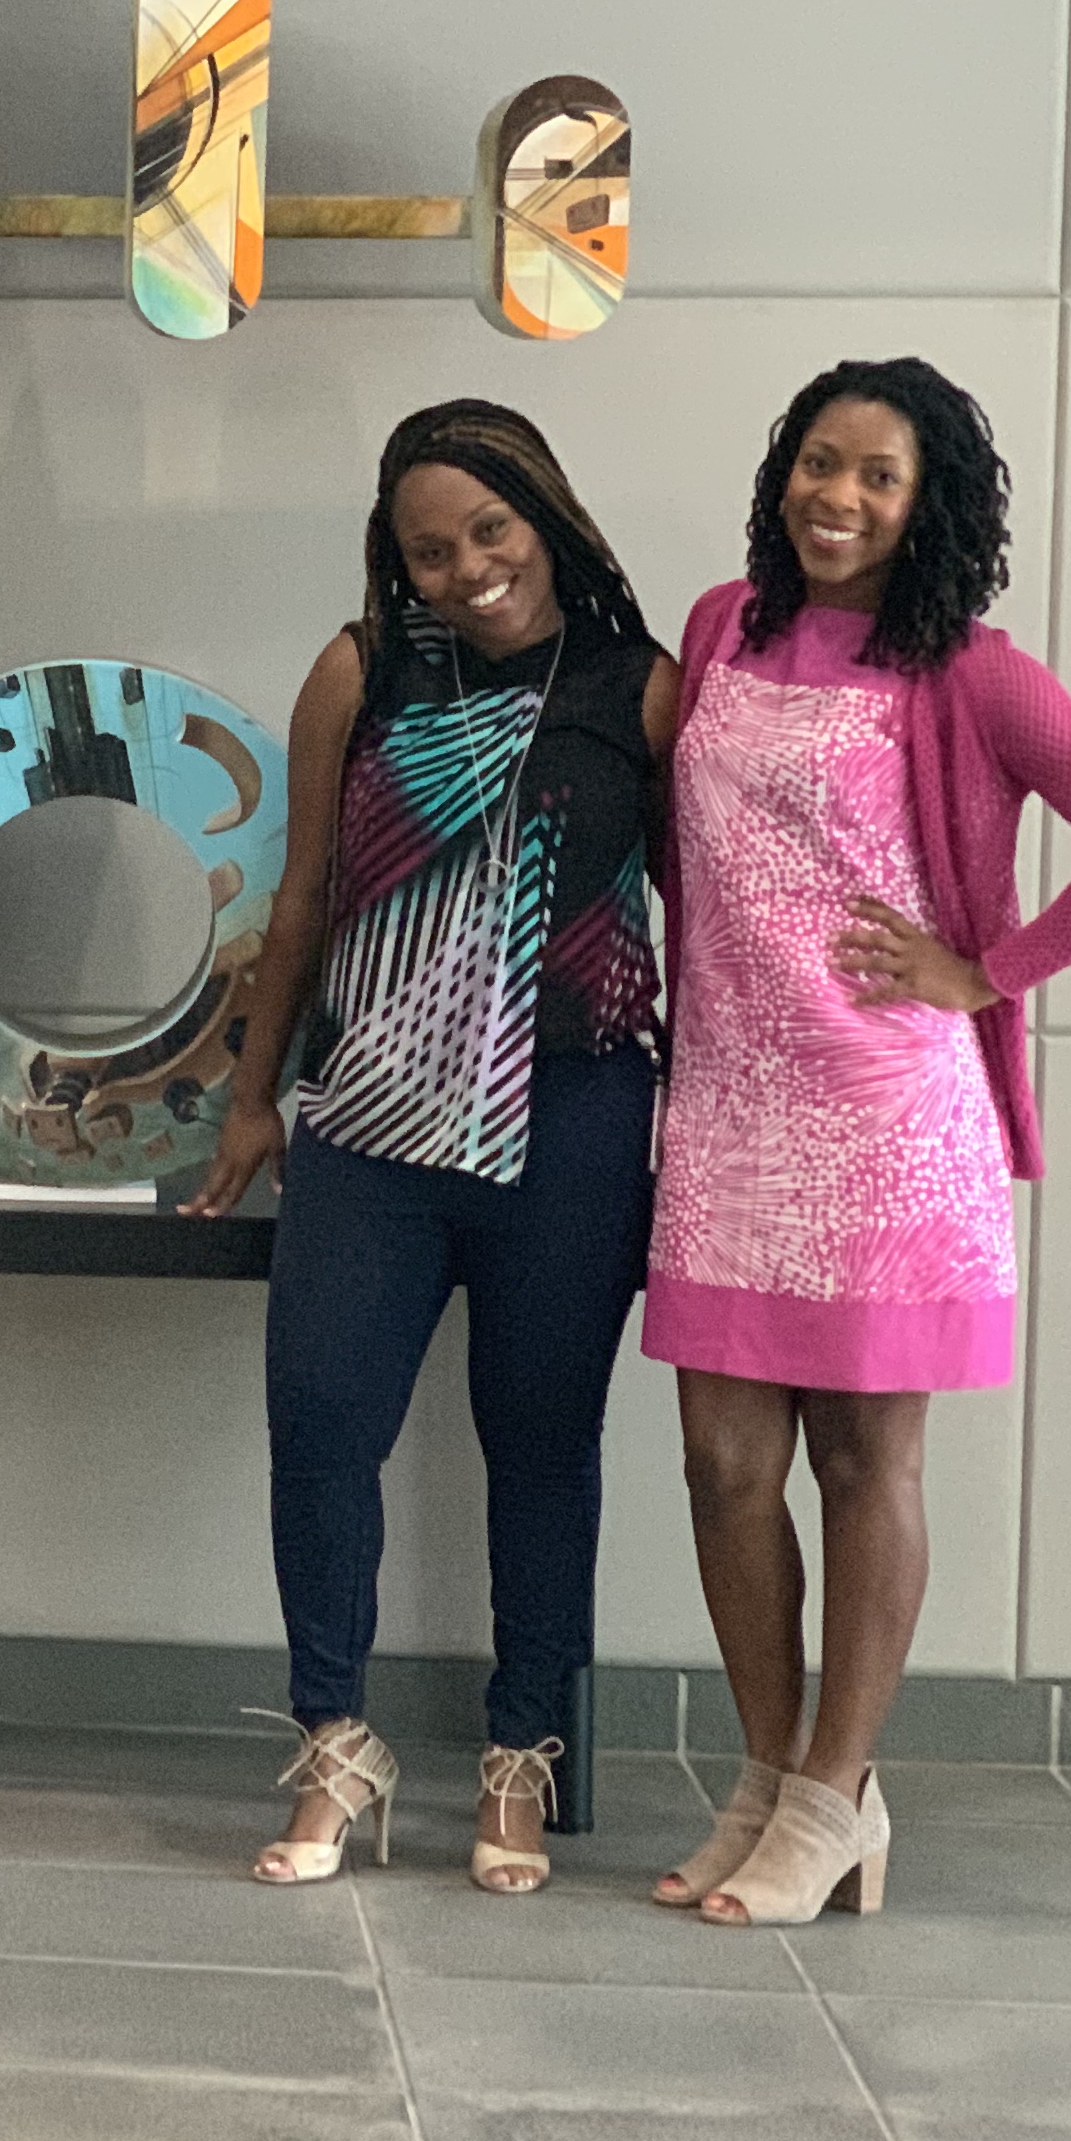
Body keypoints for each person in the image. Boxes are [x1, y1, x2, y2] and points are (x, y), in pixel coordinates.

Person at [647, 359, 1071, 1925]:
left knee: (868, 1459)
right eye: (819, 462)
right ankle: (764, 1774)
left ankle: (837, 1796)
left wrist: (983, 973)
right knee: (727, 1462)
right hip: (728, 1105)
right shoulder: (722, 626)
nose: (839, 498)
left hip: (885, 1121)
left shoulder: (973, 673)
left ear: (931, 505)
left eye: (879, 475)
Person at [188, 401, 676, 1894]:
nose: (465, 568)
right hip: (370, 1124)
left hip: (574, 1122)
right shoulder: (360, 670)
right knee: (322, 1420)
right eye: (427, 547)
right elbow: (302, 902)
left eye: (489, 531)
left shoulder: (642, 690)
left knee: (542, 1447)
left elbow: (704, 922)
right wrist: (258, 1093)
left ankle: (520, 1754)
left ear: (549, 515)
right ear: (391, 561)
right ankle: (338, 1738)